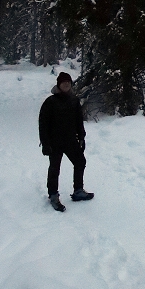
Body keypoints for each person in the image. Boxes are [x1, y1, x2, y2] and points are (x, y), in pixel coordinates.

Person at [39, 71, 93, 212]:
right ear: (59, 84)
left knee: (80, 162)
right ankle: (53, 195)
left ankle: (78, 190)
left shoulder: (74, 101)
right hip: (54, 142)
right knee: (54, 168)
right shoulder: (50, 102)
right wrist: (45, 143)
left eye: (68, 82)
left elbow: (79, 121)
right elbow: (43, 124)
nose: (66, 84)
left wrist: (81, 136)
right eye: (64, 82)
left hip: (70, 140)